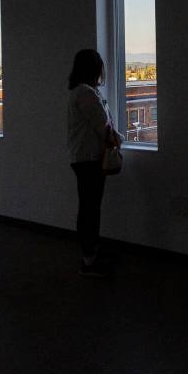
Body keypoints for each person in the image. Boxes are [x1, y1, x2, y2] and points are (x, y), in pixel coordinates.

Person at [66, 49, 121, 278]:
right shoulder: (86, 94)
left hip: (84, 158)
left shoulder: (81, 92)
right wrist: (119, 140)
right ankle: (89, 260)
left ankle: (90, 254)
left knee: (89, 207)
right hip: (89, 160)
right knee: (90, 209)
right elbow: (104, 127)